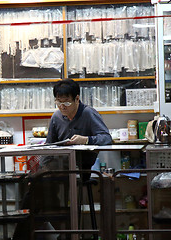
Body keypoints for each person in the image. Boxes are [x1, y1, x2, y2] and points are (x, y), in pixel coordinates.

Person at [13, 78, 112, 240]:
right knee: (35, 187)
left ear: (77, 99)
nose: (62, 107)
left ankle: (62, 232)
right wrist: (41, 171)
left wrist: (86, 140)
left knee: (40, 190)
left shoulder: (88, 113)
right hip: (57, 168)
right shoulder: (56, 117)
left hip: (80, 168)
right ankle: (60, 232)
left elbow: (106, 138)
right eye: (58, 102)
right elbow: (49, 148)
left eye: (66, 103)